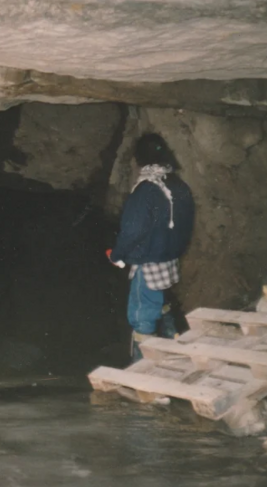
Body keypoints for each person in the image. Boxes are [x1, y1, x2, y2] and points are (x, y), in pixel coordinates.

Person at [108, 133, 195, 362]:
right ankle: (173, 352)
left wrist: (117, 255)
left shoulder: (146, 189)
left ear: (139, 159)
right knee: (162, 303)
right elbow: (186, 223)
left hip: (148, 263)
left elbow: (133, 230)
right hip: (169, 260)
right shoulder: (178, 185)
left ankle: (144, 369)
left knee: (141, 316)